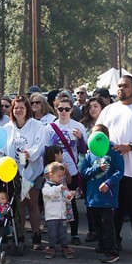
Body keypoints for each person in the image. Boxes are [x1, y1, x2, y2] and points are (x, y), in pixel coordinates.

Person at [96, 74, 132, 251]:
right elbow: (97, 134)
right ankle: (112, 244)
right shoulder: (109, 110)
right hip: (112, 172)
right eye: (119, 86)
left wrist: (129, 146)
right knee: (113, 213)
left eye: (126, 86)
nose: (121, 89)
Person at [1, 95, 48, 245]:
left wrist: (30, 154)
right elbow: (2, 148)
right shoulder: (7, 128)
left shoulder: (37, 126)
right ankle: (19, 235)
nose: (18, 110)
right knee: (18, 204)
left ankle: (36, 235)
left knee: (32, 203)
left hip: (32, 172)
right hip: (13, 173)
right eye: (16, 108)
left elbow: (40, 146)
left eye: (22, 107)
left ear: (27, 109)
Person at [45, 95, 87, 243]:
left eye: (67, 109)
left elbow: (83, 150)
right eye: (60, 108)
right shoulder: (50, 128)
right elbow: (46, 150)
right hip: (54, 172)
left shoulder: (78, 126)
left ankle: (74, 234)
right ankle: (55, 235)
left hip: (72, 171)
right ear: (56, 109)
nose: (63, 111)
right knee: (54, 202)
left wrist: (80, 138)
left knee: (71, 202)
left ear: (71, 110)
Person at [79, 123, 123, 264]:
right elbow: (84, 171)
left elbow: (119, 171)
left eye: (99, 135)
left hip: (108, 197)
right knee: (97, 224)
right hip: (93, 197)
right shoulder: (89, 153)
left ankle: (112, 251)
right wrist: (97, 168)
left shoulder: (114, 151)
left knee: (107, 224)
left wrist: (108, 182)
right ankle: (102, 245)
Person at [41, 161, 74, 259]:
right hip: (51, 216)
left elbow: (65, 198)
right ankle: (51, 247)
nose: (61, 178)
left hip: (62, 215)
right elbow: (49, 193)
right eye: (59, 176)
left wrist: (70, 195)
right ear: (51, 175)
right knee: (52, 233)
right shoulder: (47, 186)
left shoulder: (61, 187)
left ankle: (64, 247)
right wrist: (59, 188)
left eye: (62, 176)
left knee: (63, 232)